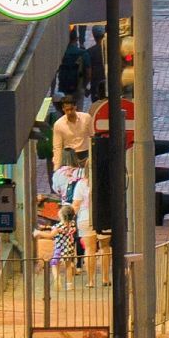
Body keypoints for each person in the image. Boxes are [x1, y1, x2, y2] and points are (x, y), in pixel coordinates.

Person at [70, 159, 101, 287]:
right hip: (102, 216)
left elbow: (76, 205)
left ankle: (91, 280)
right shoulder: (103, 182)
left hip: (85, 218)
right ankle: (105, 278)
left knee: (89, 249)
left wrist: (70, 218)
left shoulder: (81, 184)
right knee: (105, 248)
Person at [51, 95, 92, 173]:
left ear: (75, 107)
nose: (69, 112)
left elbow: (92, 137)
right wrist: (56, 168)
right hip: (69, 156)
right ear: (63, 109)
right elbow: (57, 147)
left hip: (86, 154)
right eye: (67, 110)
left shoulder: (86, 118)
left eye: (71, 109)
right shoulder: (58, 124)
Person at [56, 27, 88, 101]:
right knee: (77, 108)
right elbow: (88, 72)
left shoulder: (61, 53)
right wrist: (84, 86)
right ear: (76, 39)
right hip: (77, 87)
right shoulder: (83, 53)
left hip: (63, 86)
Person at [51, 203, 79, 287]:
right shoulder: (73, 224)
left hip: (59, 248)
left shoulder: (58, 226)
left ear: (62, 216)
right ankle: (69, 285)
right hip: (69, 248)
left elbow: (51, 234)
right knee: (68, 265)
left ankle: (57, 278)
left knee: (55, 264)